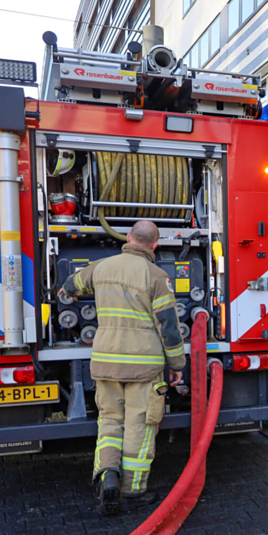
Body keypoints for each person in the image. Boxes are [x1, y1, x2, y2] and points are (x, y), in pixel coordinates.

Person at [59, 220, 186, 515]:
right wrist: (177, 363)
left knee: (110, 421)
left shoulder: (100, 267)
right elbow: (168, 326)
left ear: (128, 238)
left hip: (106, 363)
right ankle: (132, 491)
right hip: (144, 368)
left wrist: (67, 296)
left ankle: (107, 475)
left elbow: (69, 286)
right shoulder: (156, 276)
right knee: (139, 427)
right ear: (155, 245)